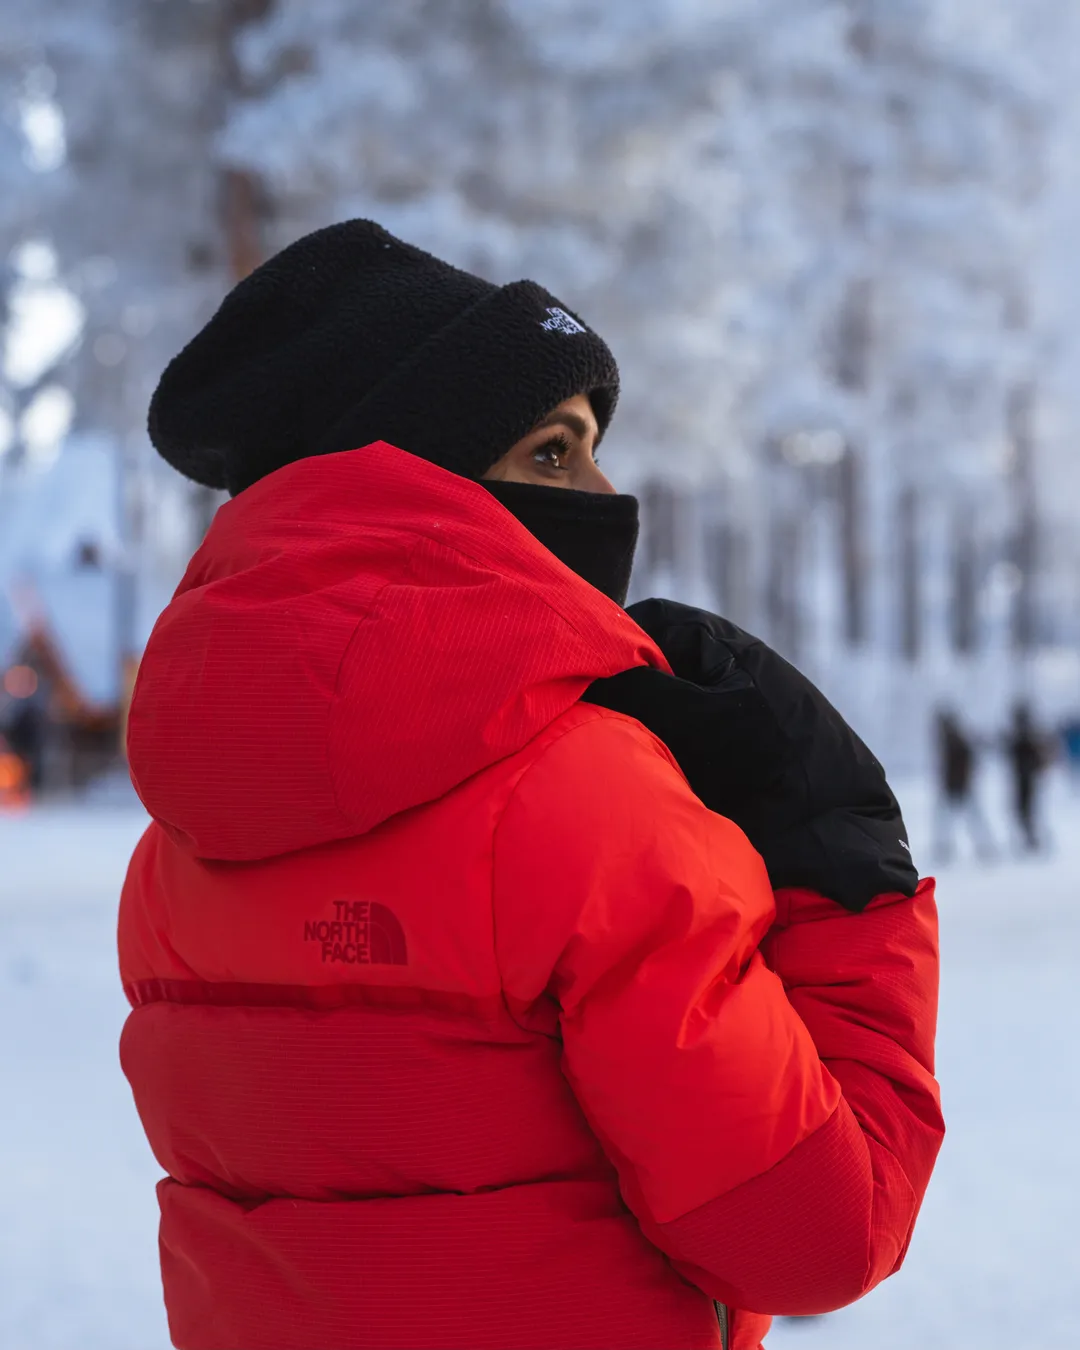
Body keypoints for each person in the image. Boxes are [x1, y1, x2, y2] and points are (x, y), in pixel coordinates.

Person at [120, 220, 942, 1350]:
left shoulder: (180, 846)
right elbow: (816, 1238)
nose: (606, 494)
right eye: (554, 455)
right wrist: (844, 868)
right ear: (425, 482)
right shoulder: (585, 801)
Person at [932, 708, 995, 862]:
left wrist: (962, 780)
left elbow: (967, 763)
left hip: (959, 787)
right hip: (955, 786)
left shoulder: (955, 740)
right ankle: (947, 848)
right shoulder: (951, 740)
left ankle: (984, 847)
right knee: (952, 820)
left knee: (968, 818)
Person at [1005, 701, 1051, 852]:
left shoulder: (1027, 736)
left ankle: (1033, 840)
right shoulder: (1022, 735)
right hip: (1021, 778)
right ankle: (1031, 840)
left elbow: (1037, 758)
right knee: (1023, 811)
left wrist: (1029, 768)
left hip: (1027, 779)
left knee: (1026, 811)